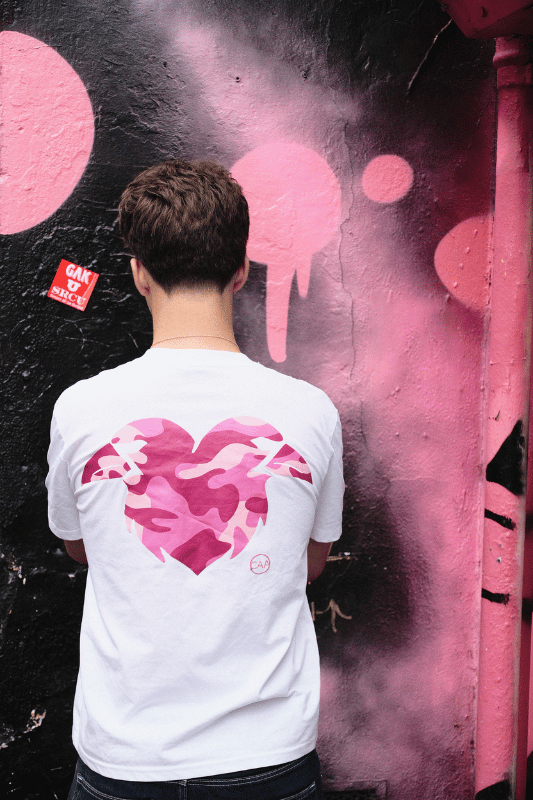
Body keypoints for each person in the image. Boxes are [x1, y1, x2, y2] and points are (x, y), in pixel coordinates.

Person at [46, 158, 345, 800]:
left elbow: (79, 547)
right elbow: (311, 561)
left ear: (138, 273)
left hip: (124, 760)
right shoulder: (312, 412)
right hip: (271, 757)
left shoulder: (79, 409)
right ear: (241, 270)